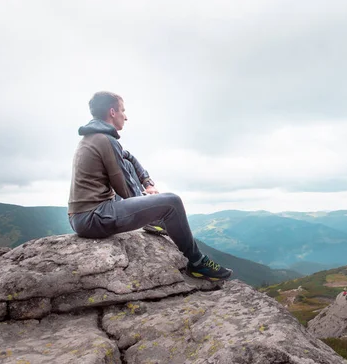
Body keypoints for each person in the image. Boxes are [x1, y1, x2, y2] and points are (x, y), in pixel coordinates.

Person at [68, 91, 232, 281]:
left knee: (128, 164)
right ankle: (197, 262)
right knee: (172, 202)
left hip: (83, 215)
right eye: (123, 110)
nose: (126, 116)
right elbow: (128, 193)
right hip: (92, 218)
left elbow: (128, 158)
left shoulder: (93, 137)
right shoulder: (106, 141)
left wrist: (147, 183)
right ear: (112, 112)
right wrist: (152, 205)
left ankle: (154, 222)